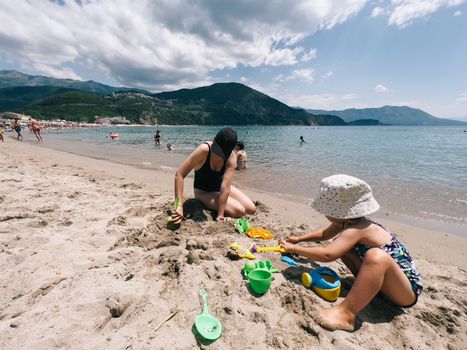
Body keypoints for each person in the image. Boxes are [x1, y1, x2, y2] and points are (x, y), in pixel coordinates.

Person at [278, 174, 422, 332]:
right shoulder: (349, 222)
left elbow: (328, 255)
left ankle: (346, 314)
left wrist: (294, 249)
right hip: (388, 284)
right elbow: (324, 235)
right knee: (342, 246)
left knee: (376, 256)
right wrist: (299, 239)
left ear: (338, 212)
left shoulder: (357, 229)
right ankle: (367, 287)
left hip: (405, 292)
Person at [172, 127, 255, 223]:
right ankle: (223, 204)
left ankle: (225, 205)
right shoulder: (204, 150)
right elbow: (179, 175)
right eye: (216, 150)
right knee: (239, 211)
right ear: (214, 140)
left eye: (221, 154)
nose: (217, 155)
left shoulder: (231, 157)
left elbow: (226, 186)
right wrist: (179, 206)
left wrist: (221, 214)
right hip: (203, 192)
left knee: (251, 209)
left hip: (220, 188)